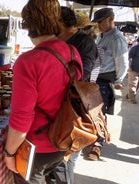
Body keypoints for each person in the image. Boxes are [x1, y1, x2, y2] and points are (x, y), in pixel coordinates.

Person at [3, 0, 83, 184]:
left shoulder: (28, 61)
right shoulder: (73, 52)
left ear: (28, 24)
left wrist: (9, 152)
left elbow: (22, 117)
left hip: (38, 149)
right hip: (65, 137)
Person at [57, 7, 98, 184]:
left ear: (61, 24)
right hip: (62, 107)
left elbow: (83, 74)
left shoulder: (84, 43)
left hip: (75, 109)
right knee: (59, 158)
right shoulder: (63, 39)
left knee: (67, 158)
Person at [87, 7, 128, 161]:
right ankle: (92, 138)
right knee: (90, 111)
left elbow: (122, 61)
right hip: (95, 77)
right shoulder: (102, 36)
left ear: (111, 19)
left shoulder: (117, 38)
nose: (98, 25)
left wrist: (119, 80)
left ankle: (98, 144)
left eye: (100, 22)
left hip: (105, 80)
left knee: (99, 112)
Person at [58, 6, 98, 82]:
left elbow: (84, 73)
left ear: (61, 22)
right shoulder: (61, 40)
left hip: (72, 91)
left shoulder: (85, 42)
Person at [126, 37, 139, 104]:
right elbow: (127, 57)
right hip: (134, 69)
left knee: (136, 85)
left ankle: (129, 95)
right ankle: (132, 99)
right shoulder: (135, 48)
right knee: (133, 84)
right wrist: (129, 66)